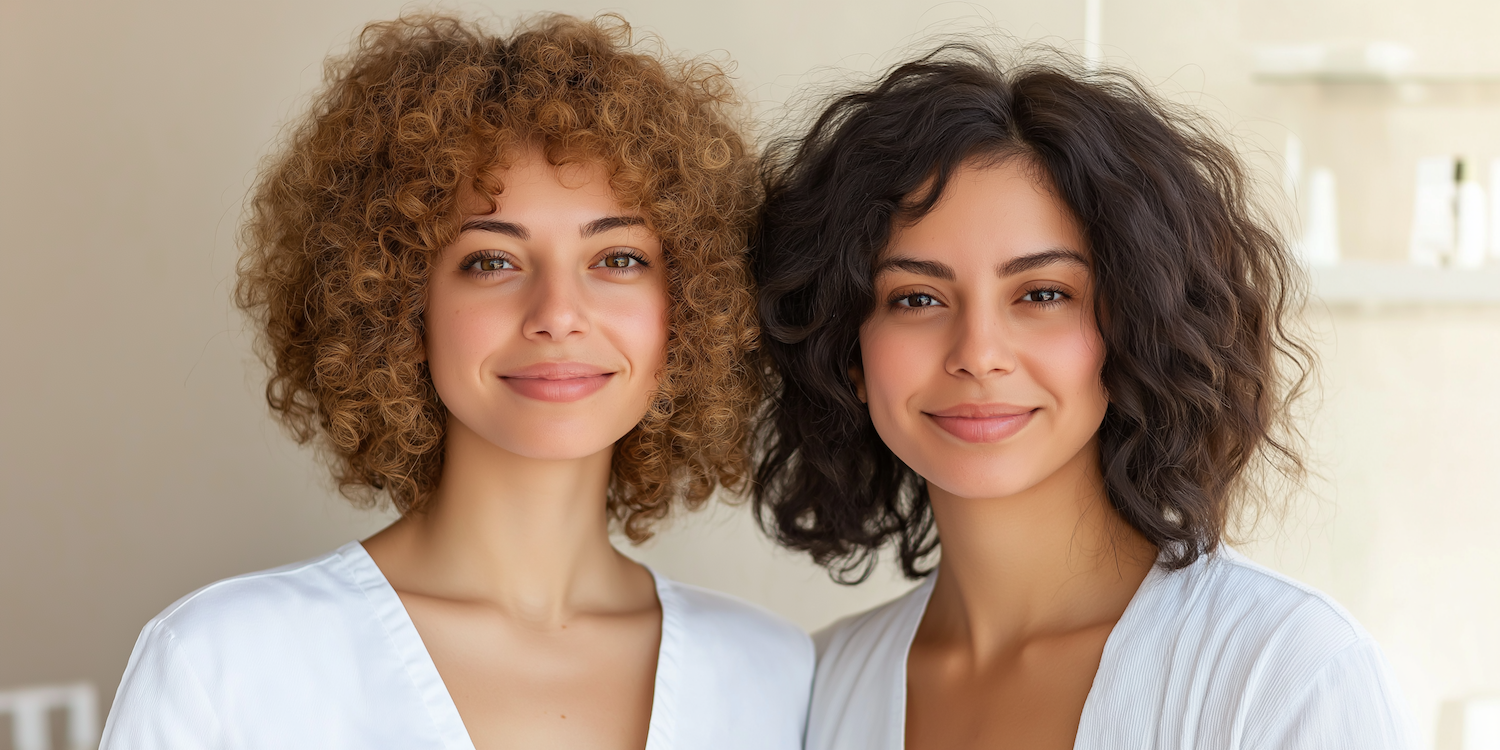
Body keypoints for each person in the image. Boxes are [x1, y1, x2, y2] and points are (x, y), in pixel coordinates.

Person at [101, 14, 811, 750]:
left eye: (619, 259)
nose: (558, 316)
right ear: (397, 304)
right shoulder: (224, 664)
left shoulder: (773, 675)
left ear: (694, 305)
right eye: (491, 262)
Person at [751, 43, 1414, 750]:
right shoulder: (819, 688)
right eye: (916, 298)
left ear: (1134, 327)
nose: (978, 354)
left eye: (1042, 294)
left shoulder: (1286, 672)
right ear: (847, 350)